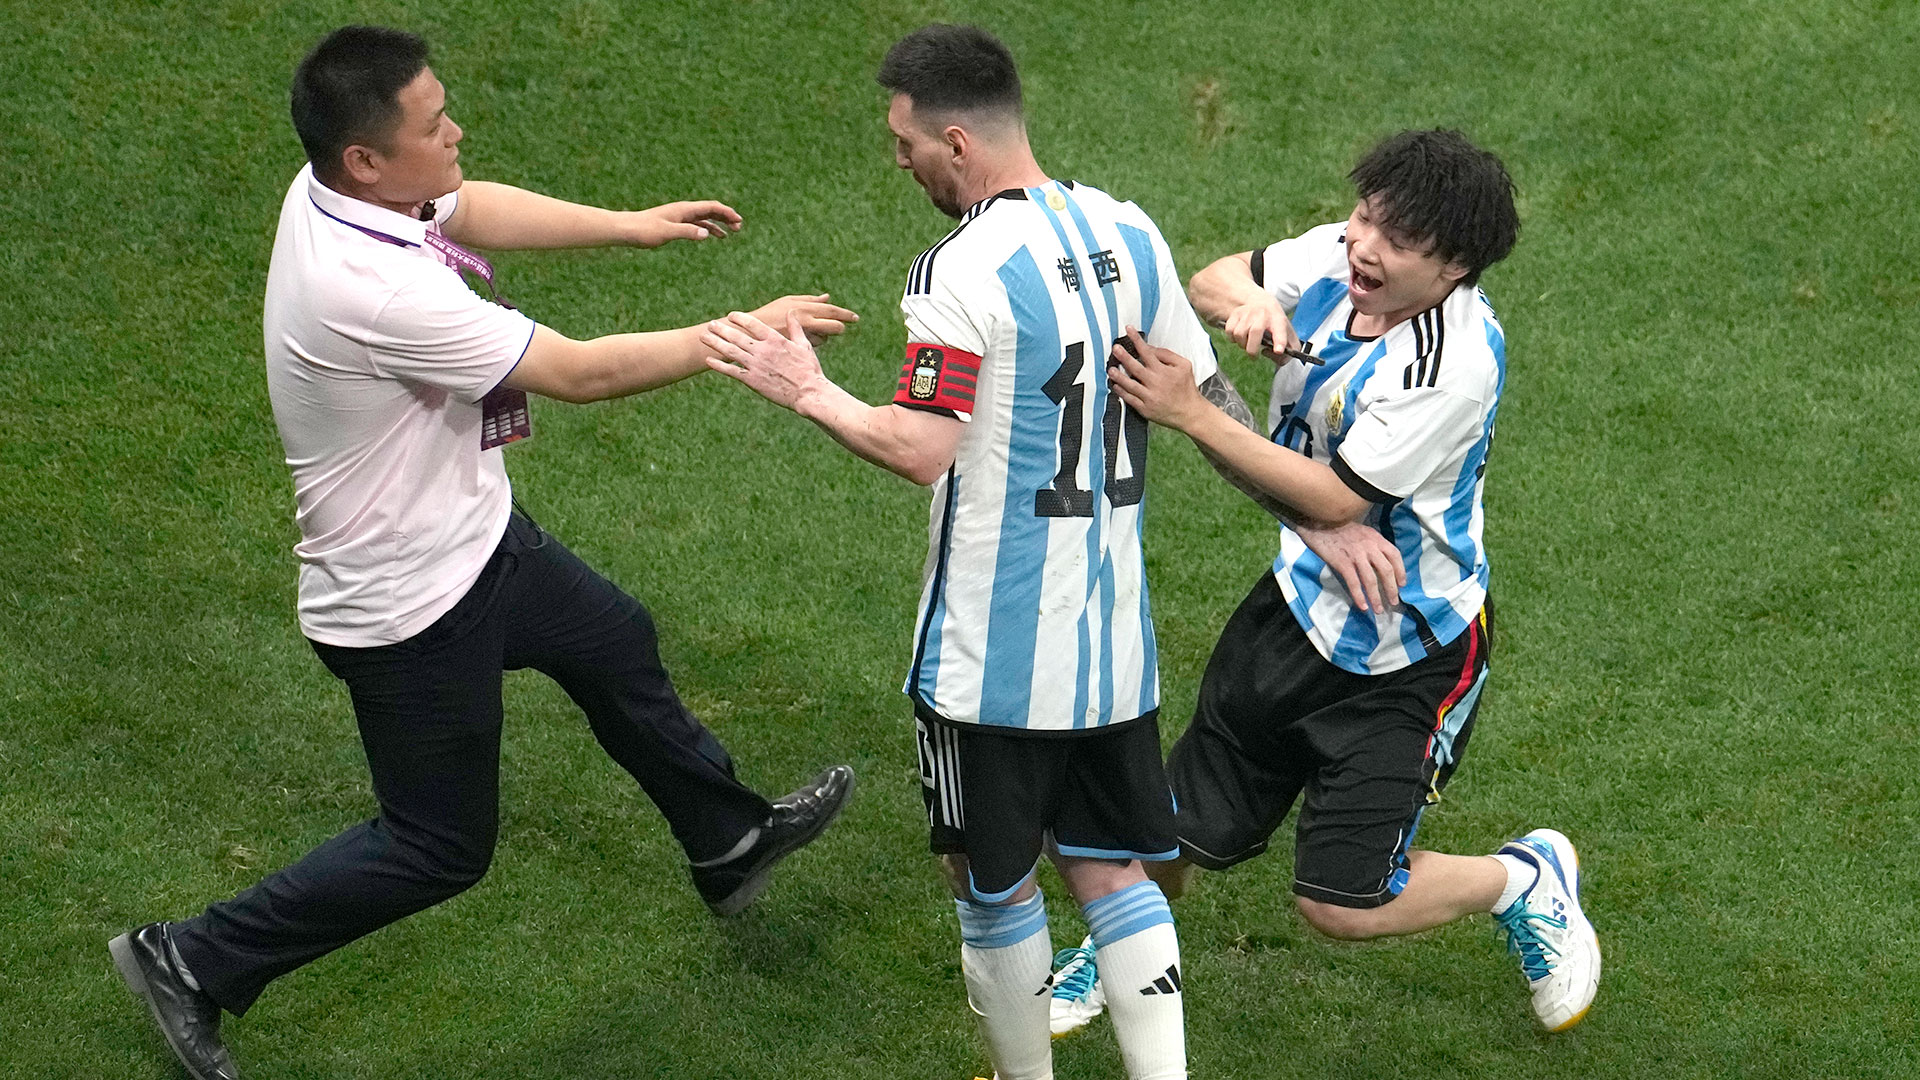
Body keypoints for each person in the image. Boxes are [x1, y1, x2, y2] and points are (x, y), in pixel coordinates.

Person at [107, 25, 857, 1080]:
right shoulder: (373, 289)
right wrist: (745, 334)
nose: (454, 131)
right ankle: (188, 960)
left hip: (473, 542)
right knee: (436, 847)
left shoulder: (336, 183)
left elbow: (464, 201)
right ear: (366, 158)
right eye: (432, 125)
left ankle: (726, 839)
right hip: (405, 608)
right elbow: (582, 373)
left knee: (613, 639)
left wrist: (631, 229)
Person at [698, 23, 1241, 1080]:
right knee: (1112, 868)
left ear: (956, 140)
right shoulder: (1132, 231)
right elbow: (1207, 395)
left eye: (905, 143)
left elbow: (918, 448)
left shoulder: (962, 269)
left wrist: (806, 389)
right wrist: (1313, 508)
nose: (898, 161)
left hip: (990, 663)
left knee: (985, 876)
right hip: (1112, 646)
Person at [1062, 128, 1599, 1035]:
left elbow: (1333, 496)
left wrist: (1193, 407)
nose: (1365, 248)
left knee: (1341, 902)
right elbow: (1217, 276)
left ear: (1457, 266)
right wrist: (1248, 309)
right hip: (1297, 611)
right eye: (1363, 218)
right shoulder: (1340, 257)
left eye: (1399, 242)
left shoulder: (1449, 366)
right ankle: (1117, 952)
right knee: (1173, 829)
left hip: (1407, 652)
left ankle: (1524, 878)